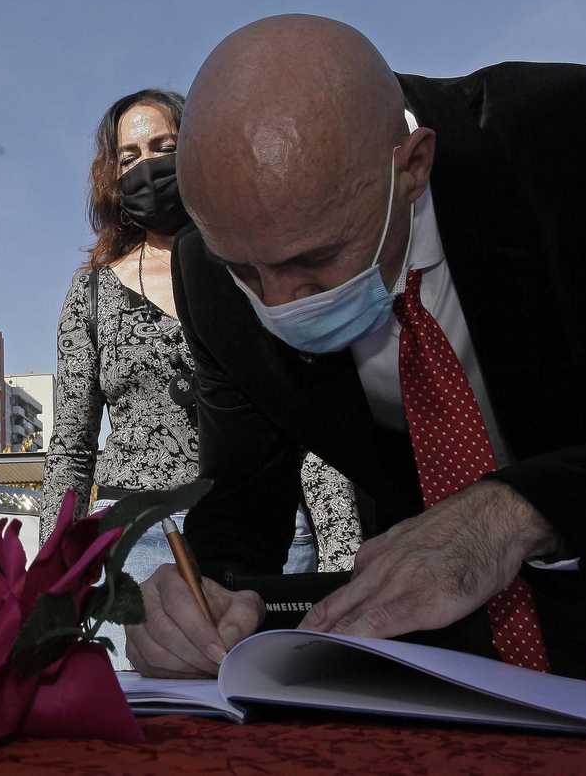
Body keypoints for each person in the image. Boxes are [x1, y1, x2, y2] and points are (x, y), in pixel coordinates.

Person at [125, 14, 586, 751]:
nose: (281, 304)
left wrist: (521, 509)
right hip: (447, 650)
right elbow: (242, 510)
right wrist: (194, 603)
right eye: (245, 269)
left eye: (316, 258)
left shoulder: (573, 136)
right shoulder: (207, 278)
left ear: (412, 166)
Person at [42, 89, 363, 663]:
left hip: (271, 534)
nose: (147, 167)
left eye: (163, 148)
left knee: (273, 696)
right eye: (129, 157)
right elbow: (70, 448)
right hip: (138, 541)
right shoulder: (91, 293)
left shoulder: (255, 268)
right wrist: (50, 577)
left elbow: (307, 416)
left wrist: (343, 552)